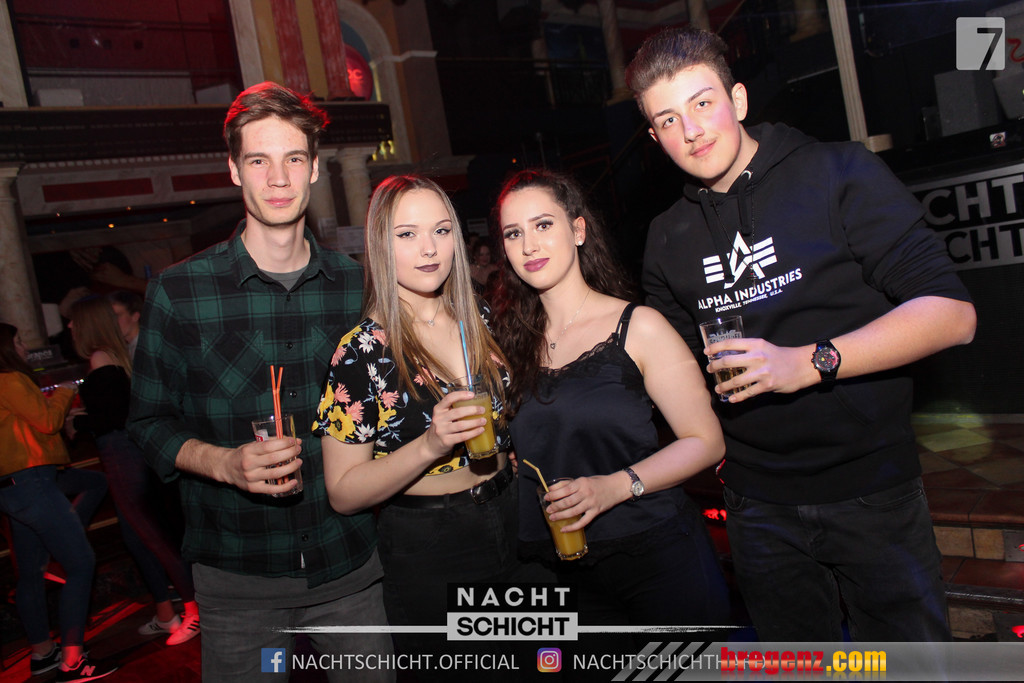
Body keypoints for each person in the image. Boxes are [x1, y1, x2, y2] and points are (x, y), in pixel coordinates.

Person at [625, 27, 977, 641]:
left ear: (737, 100)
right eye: (669, 120)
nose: (692, 130)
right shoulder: (665, 238)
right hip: (756, 503)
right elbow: (676, 371)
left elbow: (952, 314)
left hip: (873, 489)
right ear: (655, 138)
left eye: (703, 103)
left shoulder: (838, 172)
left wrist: (811, 362)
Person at [127, 82, 392, 681]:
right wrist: (224, 464)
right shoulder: (179, 291)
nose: (278, 178)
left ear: (315, 168)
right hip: (239, 581)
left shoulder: (358, 288)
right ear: (233, 170)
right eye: (258, 161)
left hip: (348, 568)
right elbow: (147, 424)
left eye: (293, 158)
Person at [313, 175, 538, 676]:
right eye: (407, 234)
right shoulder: (361, 351)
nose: (429, 249)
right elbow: (343, 493)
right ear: (380, 244)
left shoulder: (478, 317)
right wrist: (430, 444)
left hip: (514, 513)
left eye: (440, 230)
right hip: (435, 542)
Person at [489, 168, 731, 629]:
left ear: (578, 230)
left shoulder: (639, 327)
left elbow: (706, 441)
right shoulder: (509, 343)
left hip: (656, 556)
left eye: (544, 225)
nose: (529, 245)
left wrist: (614, 487)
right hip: (562, 571)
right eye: (513, 233)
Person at [68, 295, 200, 646]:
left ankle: (195, 610)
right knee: (137, 539)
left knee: (153, 535)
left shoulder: (101, 359)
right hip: (124, 454)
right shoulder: (114, 356)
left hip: (123, 455)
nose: (69, 326)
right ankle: (166, 612)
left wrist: (78, 423)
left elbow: (116, 417)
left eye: (74, 320)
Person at [0, 323, 118, 681]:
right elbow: (49, 422)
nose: (24, 347)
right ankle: (72, 661)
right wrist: (65, 392)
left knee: (31, 574)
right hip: (32, 482)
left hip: (15, 486)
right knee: (81, 564)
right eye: (18, 341)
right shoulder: (10, 380)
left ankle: (43, 653)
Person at [107, 290, 143, 360]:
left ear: (135, 316)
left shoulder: (145, 348)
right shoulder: (128, 348)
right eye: (110, 317)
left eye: (117, 316)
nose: (112, 321)